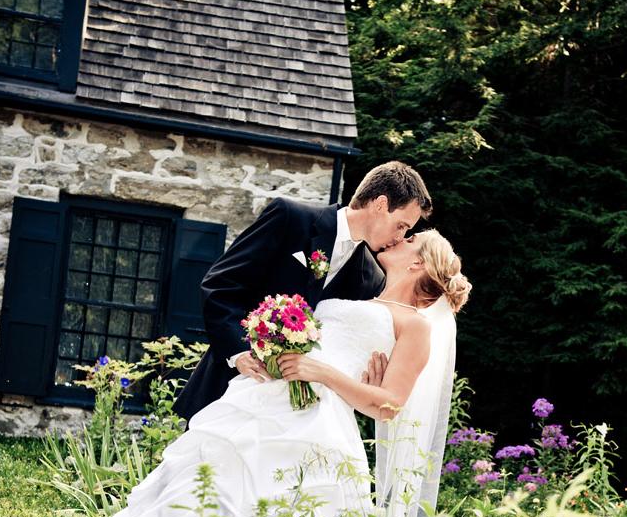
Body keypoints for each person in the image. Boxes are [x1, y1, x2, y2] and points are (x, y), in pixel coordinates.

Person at [99, 230, 471, 517]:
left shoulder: (415, 326)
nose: (398, 238)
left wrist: (322, 373)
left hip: (316, 420)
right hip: (263, 394)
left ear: (418, 262)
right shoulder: (360, 294)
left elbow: (388, 405)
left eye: (410, 239)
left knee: (276, 505)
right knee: (213, 471)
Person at [173, 160, 433, 421]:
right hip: (225, 389)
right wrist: (238, 353)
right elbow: (221, 285)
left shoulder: (371, 278)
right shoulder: (290, 218)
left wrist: (366, 385)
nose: (400, 237)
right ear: (380, 205)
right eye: (401, 225)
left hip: (292, 417)